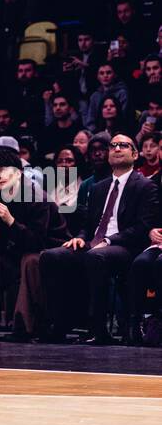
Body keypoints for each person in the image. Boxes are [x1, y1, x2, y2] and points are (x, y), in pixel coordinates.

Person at [39, 134, 159, 345]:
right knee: (52, 256)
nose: (117, 148)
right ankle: (57, 325)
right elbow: (88, 226)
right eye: (113, 146)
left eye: (124, 145)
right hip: (94, 243)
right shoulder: (98, 188)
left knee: (97, 257)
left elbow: (142, 228)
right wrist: (79, 238)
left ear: (135, 154)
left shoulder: (145, 186)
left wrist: (110, 241)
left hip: (125, 246)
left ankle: (98, 329)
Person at [0, 147, 51, 338]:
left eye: (5, 170)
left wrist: (10, 221)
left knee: (29, 260)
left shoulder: (37, 196)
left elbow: (37, 241)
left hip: (48, 251)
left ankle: (22, 326)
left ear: (19, 172)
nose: (0, 176)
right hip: (18, 253)